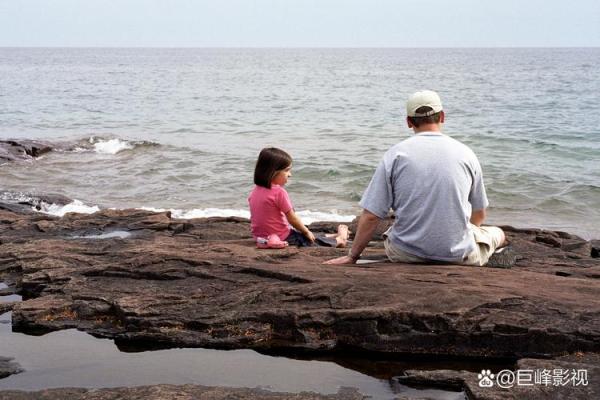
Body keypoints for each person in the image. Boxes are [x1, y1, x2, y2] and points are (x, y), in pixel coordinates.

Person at [325, 90, 507, 266]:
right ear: (442, 116)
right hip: (459, 255)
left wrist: (353, 256)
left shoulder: (395, 155)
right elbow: (479, 213)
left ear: (408, 122)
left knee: (392, 232)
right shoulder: (466, 154)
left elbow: (372, 216)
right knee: (497, 233)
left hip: (405, 254)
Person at [249, 147, 349, 248]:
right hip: (283, 237)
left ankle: (332, 235)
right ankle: (340, 239)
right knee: (308, 240)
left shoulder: (255, 191)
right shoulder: (279, 192)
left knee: (303, 235)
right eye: (287, 170)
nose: (290, 175)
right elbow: (292, 218)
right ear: (273, 172)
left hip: (261, 238)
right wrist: (306, 231)